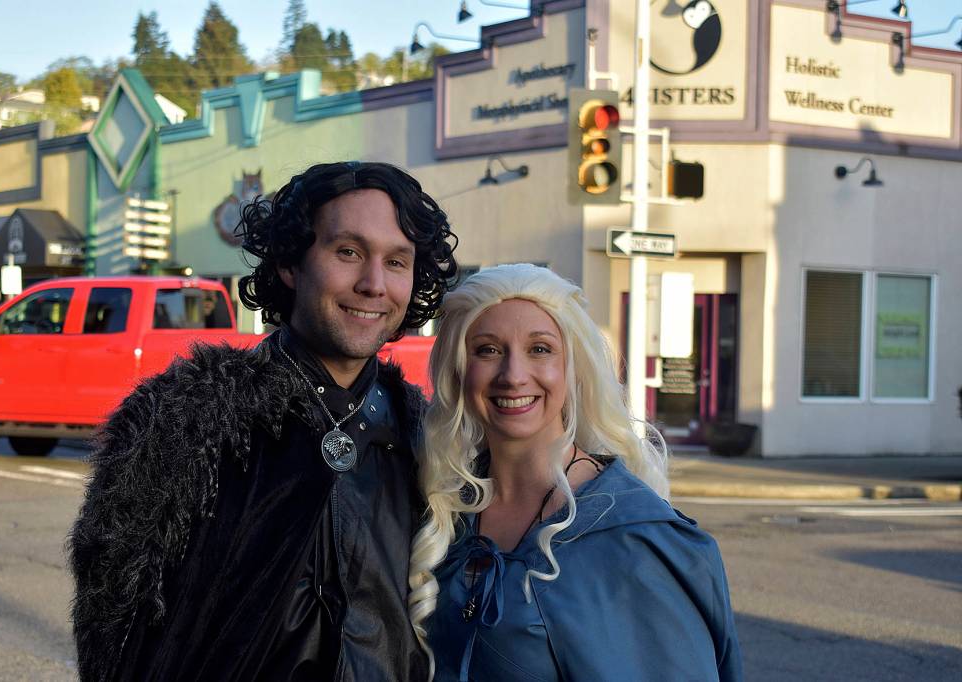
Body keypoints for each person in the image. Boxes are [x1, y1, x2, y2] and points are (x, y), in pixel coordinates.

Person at [69, 161, 458, 681]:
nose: (373, 284)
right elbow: (113, 626)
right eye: (348, 251)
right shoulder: (184, 420)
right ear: (290, 264)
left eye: (397, 261)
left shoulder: (429, 439)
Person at [408, 263, 742, 681]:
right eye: (488, 349)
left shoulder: (634, 539)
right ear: (458, 370)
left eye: (540, 349)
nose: (513, 376)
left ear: (573, 369)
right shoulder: (447, 512)